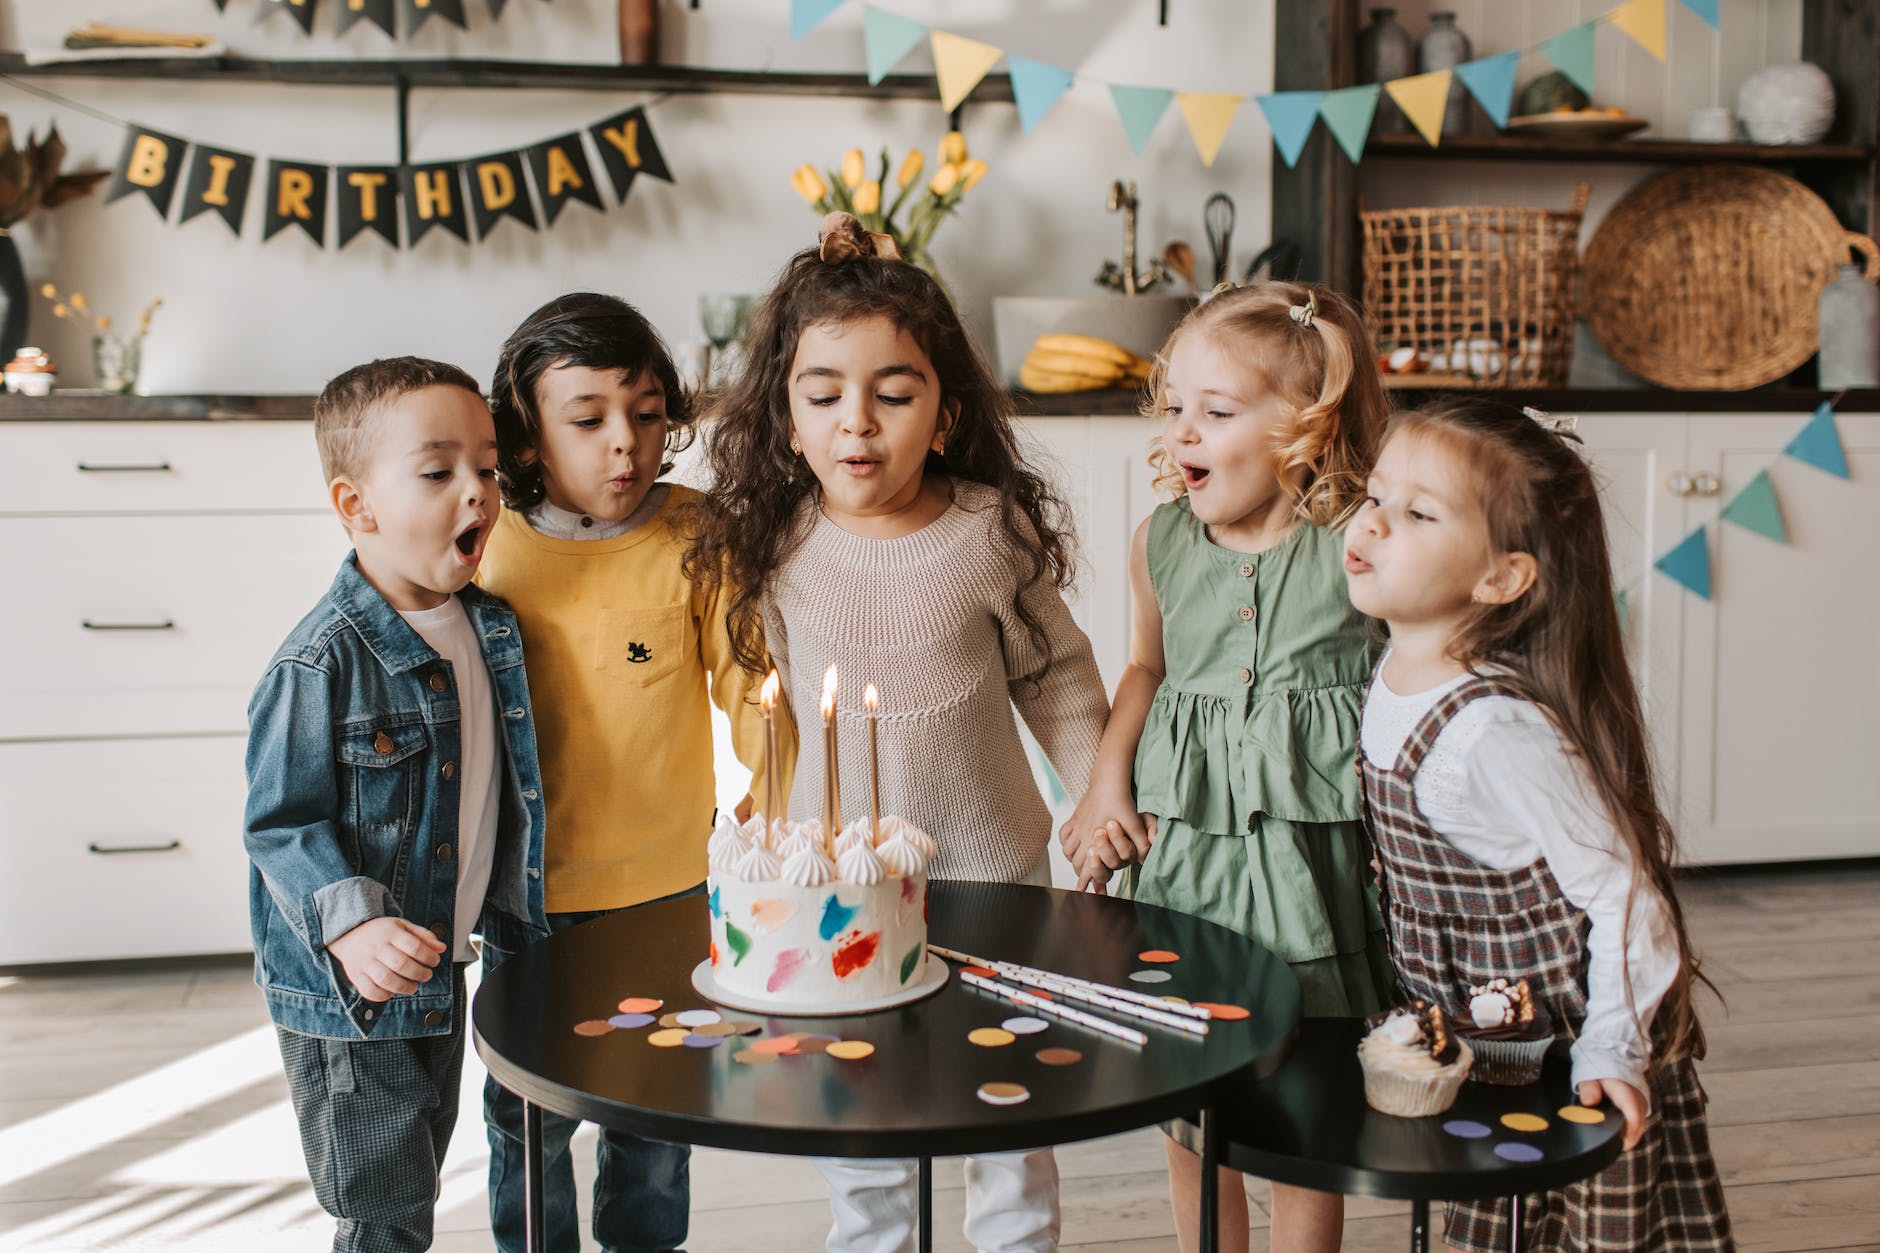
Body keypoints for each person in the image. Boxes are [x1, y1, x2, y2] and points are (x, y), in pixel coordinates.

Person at [686, 213, 1109, 1253]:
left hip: (991, 873)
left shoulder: (987, 531)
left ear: (945, 409)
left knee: (1002, 1096)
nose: (856, 423)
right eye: (822, 394)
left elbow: (1056, 677)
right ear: (784, 417)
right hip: (831, 887)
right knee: (856, 1102)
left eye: (894, 392)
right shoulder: (768, 540)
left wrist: (1098, 794)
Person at [1343, 398, 1734, 1251]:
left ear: (1502, 578)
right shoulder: (1394, 669)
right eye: (1375, 496)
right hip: (1478, 1036)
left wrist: (1612, 1049)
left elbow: (1629, 898)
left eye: (1416, 513)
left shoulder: (1492, 732)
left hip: (1561, 1051)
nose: (1371, 524)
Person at [1062, 283, 1394, 1253]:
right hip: (1190, 862)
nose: (1181, 433)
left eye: (1215, 411)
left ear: (1304, 426)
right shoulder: (1160, 540)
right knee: (1190, 1099)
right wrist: (1104, 783)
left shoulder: (1358, 543)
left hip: (1313, 877)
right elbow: (1147, 669)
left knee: (1304, 1108)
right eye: (1174, 407)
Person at [475, 292, 793, 1253]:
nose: (628, 444)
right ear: (527, 439)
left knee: (655, 1120)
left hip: (669, 891)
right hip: (525, 896)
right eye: (588, 420)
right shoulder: (483, 541)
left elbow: (757, 694)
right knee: (528, 1120)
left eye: (648, 414)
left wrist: (765, 815)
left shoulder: (697, 535)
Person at [244, 357, 548, 1253]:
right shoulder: (319, 662)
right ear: (356, 505)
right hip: (349, 997)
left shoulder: (490, 627)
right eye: (438, 471)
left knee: (421, 1168)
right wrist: (349, 926)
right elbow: (280, 822)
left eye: (487, 468)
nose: (479, 493)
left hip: (442, 965)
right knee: (383, 1208)